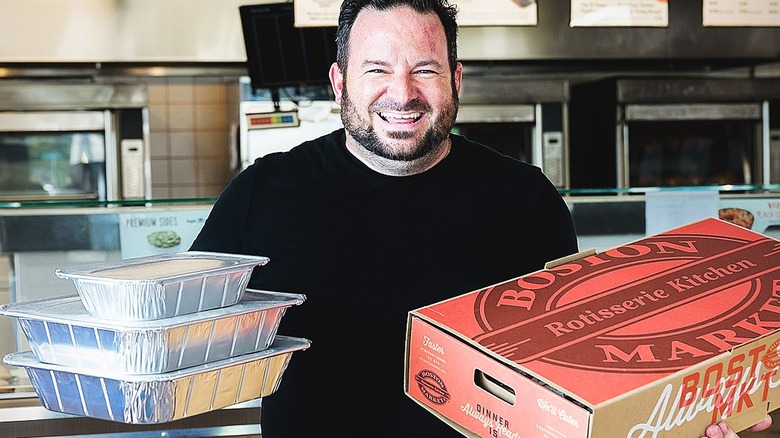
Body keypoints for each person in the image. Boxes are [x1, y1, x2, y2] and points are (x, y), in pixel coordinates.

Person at [191, 0, 772, 436]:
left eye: (425, 69)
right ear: (339, 82)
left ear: (456, 81)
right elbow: (184, 343)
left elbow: (584, 374)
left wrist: (682, 412)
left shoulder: (526, 201)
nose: (402, 92)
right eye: (376, 70)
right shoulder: (261, 194)